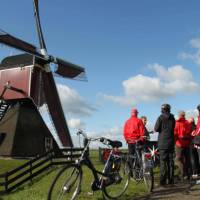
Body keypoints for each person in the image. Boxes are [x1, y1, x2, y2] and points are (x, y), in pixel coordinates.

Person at [154, 103, 175, 186]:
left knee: (163, 162)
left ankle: (162, 181)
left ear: (162, 109)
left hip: (162, 142)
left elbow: (156, 128)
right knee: (170, 162)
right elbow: (173, 128)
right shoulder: (173, 118)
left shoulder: (160, 117)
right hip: (170, 142)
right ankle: (170, 180)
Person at [174, 111, 191, 181]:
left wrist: (175, 141)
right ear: (184, 115)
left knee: (178, 160)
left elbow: (174, 133)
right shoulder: (188, 123)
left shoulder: (177, 123)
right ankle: (187, 175)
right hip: (187, 143)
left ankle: (182, 175)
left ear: (179, 115)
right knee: (187, 159)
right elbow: (190, 133)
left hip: (179, 144)